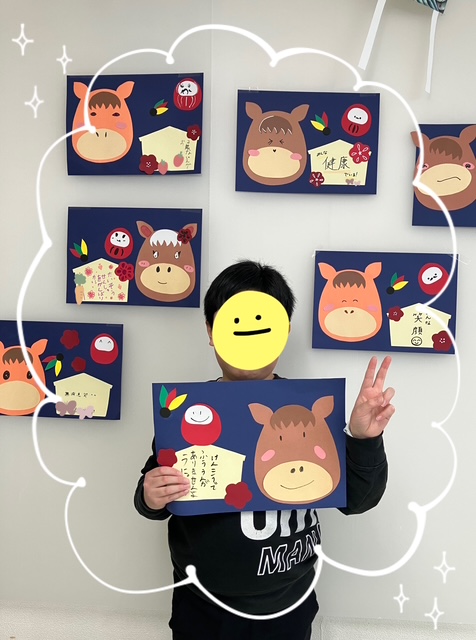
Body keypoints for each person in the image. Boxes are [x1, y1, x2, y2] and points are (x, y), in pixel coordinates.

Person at [134, 260, 395, 640]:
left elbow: (358, 500)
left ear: (283, 332)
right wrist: (150, 495)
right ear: (211, 332)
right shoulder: (186, 413)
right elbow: (153, 491)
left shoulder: (310, 412)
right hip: (202, 607)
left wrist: (363, 438)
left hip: (288, 605)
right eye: (234, 324)